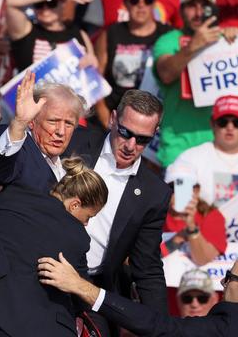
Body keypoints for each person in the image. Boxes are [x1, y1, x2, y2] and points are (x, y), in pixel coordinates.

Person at [0, 157, 108, 337]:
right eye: (89, 217)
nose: (86, 224)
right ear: (75, 204)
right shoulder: (77, 236)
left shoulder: (13, 195)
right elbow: (80, 295)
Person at [64, 89, 171, 333]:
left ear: (155, 135)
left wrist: (164, 329)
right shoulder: (75, 142)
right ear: (112, 119)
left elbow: (147, 267)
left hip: (92, 286)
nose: (131, 145)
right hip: (44, 264)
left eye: (143, 139)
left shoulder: (154, 192)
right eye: (125, 132)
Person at [37, 251, 238, 337]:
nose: (224, 285)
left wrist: (82, 287)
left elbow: (158, 326)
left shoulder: (227, 327)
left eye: (230, 278)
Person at [153, 0, 238, 168]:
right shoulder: (168, 41)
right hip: (179, 148)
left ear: (214, 10)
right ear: (182, 9)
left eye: (205, 6)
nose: (199, 13)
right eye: (192, 6)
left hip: (222, 147)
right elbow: (166, 73)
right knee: (183, 199)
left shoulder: (225, 39)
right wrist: (193, 46)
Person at [166, 96, 238, 239]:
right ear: (212, 124)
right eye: (223, 122)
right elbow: (178, 205)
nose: (230, 127)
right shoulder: (189, 158)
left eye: (237, 122)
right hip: (203, 245)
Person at [0, 73, 86, 192]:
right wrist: (20, 122)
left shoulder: (71, 165)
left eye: (68, 123)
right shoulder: (19, 150)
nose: (61, 132)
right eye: (53, 121)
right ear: (32, 121)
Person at [93, 0, 173, 129]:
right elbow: (96, 78)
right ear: (126, 4)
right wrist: (104, 117)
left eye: (147, 0)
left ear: (154, 4)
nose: (141, 6)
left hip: (156, 118)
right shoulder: (111, 33)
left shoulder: (168, 35)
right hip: (115, 115)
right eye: (135, 0)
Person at [5, 0, 97, 71]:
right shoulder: (25, 31)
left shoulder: (80, 34)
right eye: (39, 4)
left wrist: (92, 63)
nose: (45, 8)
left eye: (52, 2)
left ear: (63, 3)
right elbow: (10, 1)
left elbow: (95, 72)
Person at [162, 164, 226, 266]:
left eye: (184, 187)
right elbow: (141, 259)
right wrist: (177, 239)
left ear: (196, 191)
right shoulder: (153, 213)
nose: (178, 193)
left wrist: (191, 228)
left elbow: (203, 260)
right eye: (173, 187)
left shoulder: (212, 216)